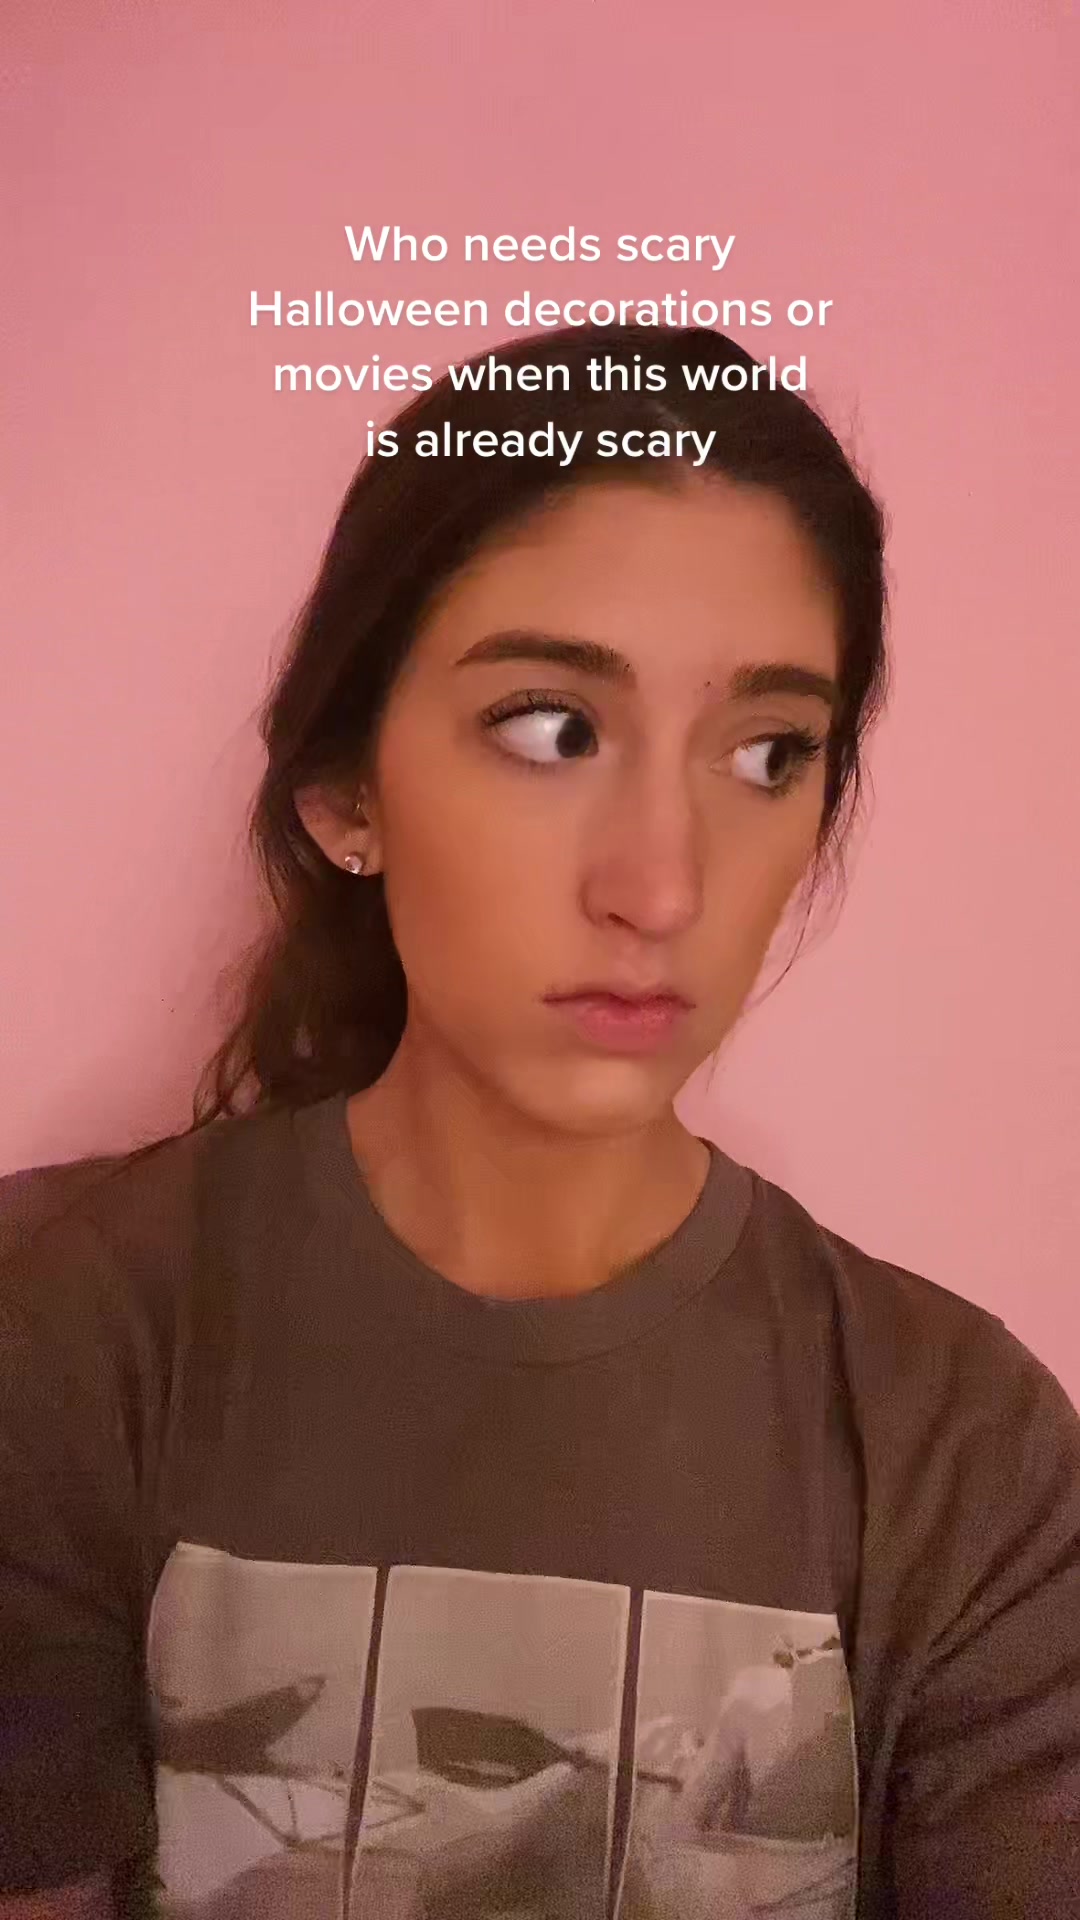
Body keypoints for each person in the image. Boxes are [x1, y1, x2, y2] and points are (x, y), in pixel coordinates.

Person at [1, 324, 1077, 1920]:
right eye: (552, 727)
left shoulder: (961, 1451)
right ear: (345, 792)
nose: (662, 886)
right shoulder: (58, 1319)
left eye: (768, 751)